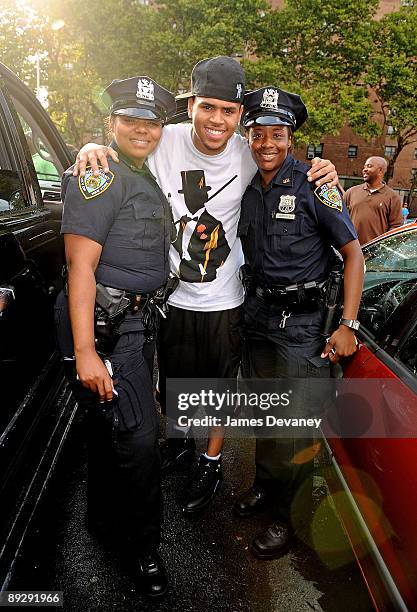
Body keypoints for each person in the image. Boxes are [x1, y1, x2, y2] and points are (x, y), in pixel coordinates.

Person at [73, 56, 339, 515]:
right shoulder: (163, 140)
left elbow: (288, 166)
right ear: (190, 104)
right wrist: (89, 148)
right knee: (170, 384)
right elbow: (125, 145)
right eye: (208, 107)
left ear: (239, 116)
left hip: (225, 297)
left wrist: (327, 170)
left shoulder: (248, 154)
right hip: (171, 297)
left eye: (229, 111)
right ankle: (179, 443)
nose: (217, 120)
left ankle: (211, 460)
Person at [54, 76, 176, 596]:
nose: (142, 129)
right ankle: (140, 547)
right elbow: (79, 267)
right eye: (130, 120)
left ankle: (103, 525)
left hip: (133, 325)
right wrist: (86, 352)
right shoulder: (99, 175)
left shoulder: (139, 174)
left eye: (151, 122)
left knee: (109, 432)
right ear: (111, 124)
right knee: (139, 441)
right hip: (107, 328)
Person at [234, 86, 364, 559]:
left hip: (304, 326)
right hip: (259, 317)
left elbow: (353, 255)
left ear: (290, 138)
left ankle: (289, 519)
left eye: (277, 134)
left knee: (297, 428)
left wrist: (347, 323)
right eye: (258, 134)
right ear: (248, 137)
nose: (267, 143)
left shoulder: (315, 182)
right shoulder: (249, 187)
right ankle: (267, 488)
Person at [344, 156, 402, 244]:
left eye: (369, 166)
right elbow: (340, 218)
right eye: (364, 167)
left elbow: (395, 227)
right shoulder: (351, 192)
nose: (365, 169)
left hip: (375, 253)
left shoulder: (393, 197)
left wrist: (383, 248)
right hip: (350, 250)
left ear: (380, 171)